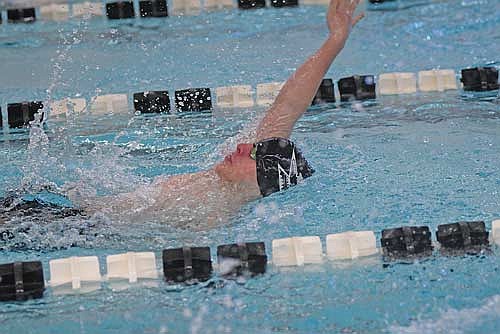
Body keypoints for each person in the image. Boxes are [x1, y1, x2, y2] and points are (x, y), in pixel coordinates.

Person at [4, 0, 364, 231]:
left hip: (67, 230)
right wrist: (336, 39)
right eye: (253, 146)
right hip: (65, 211)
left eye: (253, 154)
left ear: (261, 183)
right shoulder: (232, 179)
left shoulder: (211, 218)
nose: (243, 146)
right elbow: (288, 104)